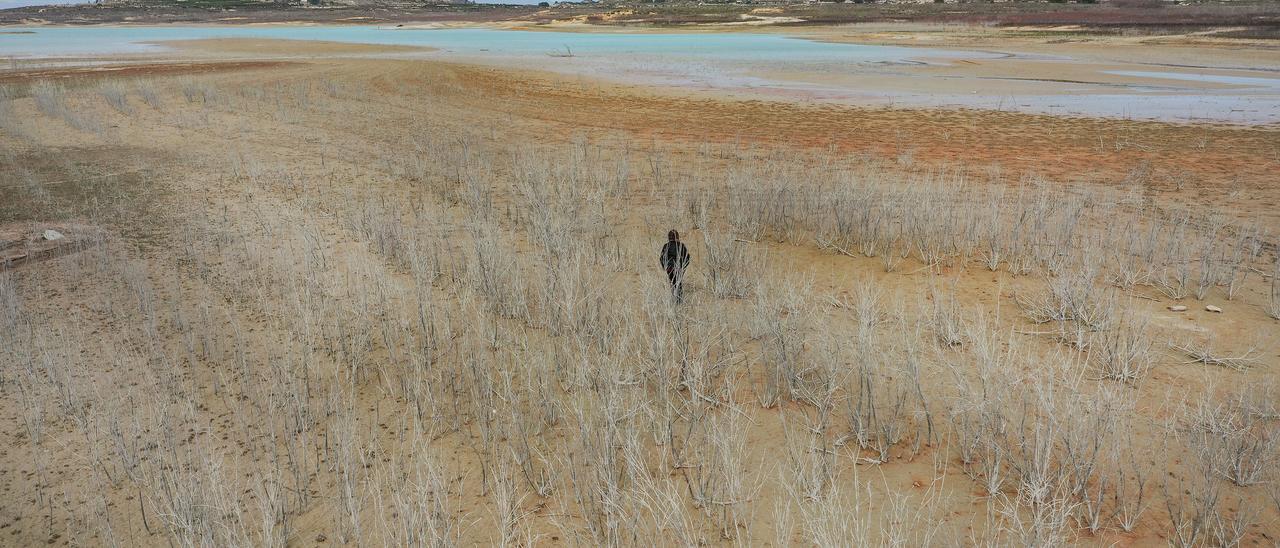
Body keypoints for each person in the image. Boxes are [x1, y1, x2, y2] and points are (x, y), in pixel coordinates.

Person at [659, 229, 691, 303]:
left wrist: (665, 267)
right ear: (677, 236)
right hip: (679, 268)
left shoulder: (666, 246)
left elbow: (662, 258)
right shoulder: (681, 246)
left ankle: (675, 299)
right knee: (678, 283)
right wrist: (684, 267)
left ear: (669, 237)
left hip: (670, 269)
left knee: (673, 283)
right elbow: (687, 257)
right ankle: (678, 301)